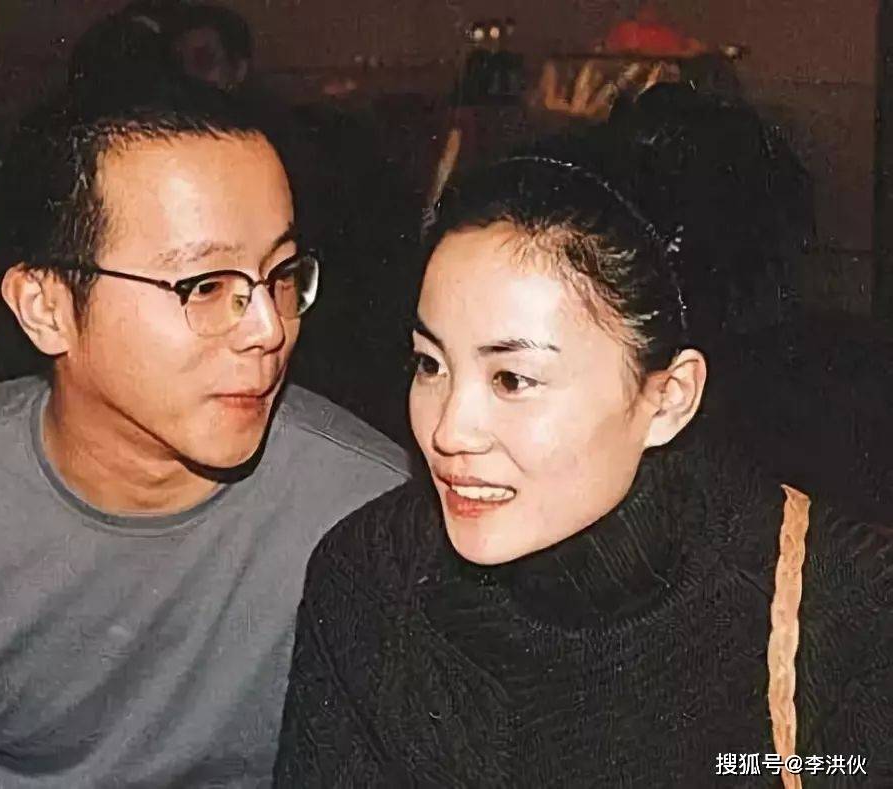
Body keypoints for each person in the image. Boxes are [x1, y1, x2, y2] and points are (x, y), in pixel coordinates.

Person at [0, 85, 408, 787]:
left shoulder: (376, 511)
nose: (267, 329)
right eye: (205, 285)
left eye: (280, 276)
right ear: (46, 309)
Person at [273, 156, 893, 785]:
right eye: (431, 364)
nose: (448, 431)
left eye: (512, 379)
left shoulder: (844, 607)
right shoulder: (371, 575)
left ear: (668, 399)